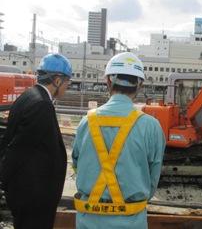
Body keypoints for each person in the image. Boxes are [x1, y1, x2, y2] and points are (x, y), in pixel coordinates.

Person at [72, 52, 166, 229]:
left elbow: (77, 165)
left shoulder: (86, 122)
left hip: (88, 220)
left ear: (108, 81)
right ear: (140, 84)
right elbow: (153, 178)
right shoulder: (151, 126)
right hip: (131, 221)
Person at [0, 53, 72, 229]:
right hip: (33, 198)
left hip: (26, 193)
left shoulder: (28, 96)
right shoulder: (42, 105)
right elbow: (18, 150)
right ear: (57, 80)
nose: (67, 87)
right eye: (67, 82)